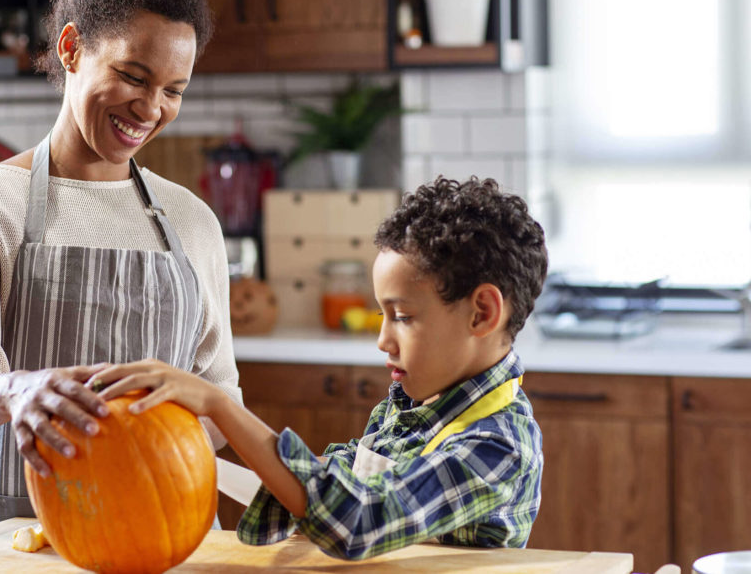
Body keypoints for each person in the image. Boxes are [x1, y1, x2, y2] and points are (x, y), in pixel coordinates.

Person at [0, 0, 241, 531]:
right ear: (71, 48)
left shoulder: (191, 220)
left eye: (174, 89)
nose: (150, 108)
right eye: (131, 75)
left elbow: (220, 397)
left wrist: (145, 469)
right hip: (16, 535)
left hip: (162, 530)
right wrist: (15, 391)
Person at [92, 176, 548, 559]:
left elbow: (357, 519)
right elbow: (317, 491)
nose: (383, 339)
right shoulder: (410, 409)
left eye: (403, 317)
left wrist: (218, 405)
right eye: (383, 315)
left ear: (483, 313)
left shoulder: (499, 447)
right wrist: (171, 462)